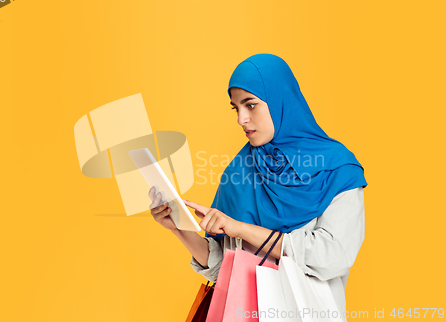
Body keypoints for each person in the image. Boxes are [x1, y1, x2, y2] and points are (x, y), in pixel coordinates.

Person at [148, 53, 367, 317]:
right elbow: (224, 269)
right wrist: (179, 228)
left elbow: (333, 257)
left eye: (250, 105)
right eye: (236, 108)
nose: (241, 119)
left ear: (279, 101)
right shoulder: (240, 169)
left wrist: (243, 229)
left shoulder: (338, 168)